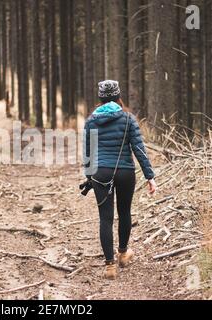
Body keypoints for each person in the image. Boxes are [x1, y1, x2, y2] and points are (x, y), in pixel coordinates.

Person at [83, 80, 157, 280]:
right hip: (125, 172)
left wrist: (89, 178)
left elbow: (88, 154)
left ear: (100, 98)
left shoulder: (91, 121)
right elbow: (139, 149)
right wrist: (149, 176)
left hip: (101, 173)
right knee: (124, 212)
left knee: (105, 218)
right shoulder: (128, 119)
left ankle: (109, 267)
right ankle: (123, 254)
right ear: (118, 97)